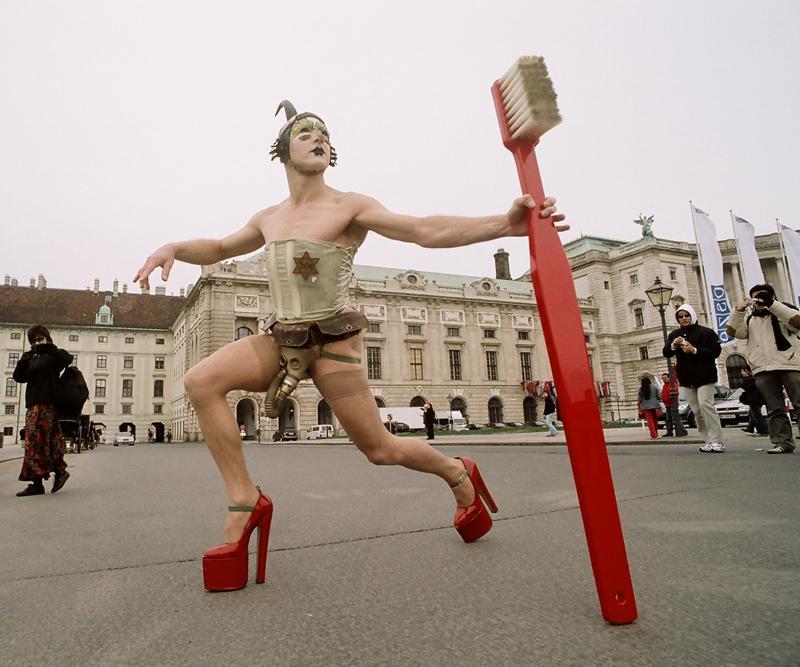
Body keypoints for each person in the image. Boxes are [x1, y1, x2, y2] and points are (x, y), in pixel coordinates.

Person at [133, 100, 566, 591]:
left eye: (325, 133)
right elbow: (218, 247)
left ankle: (457, 471)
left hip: (334, 340)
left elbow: (424, 230)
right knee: (201, 380)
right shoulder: (269, 217)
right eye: (305, 132)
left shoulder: (350, 205)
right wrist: (171, 248)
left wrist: (503, 225)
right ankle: (244, 500)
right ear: (283, 150)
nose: (318, 137)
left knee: (379, 449)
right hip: (282, 337)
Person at [727, 283, 800, 454]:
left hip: (789, 364)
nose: (759, 299)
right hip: (763, 367)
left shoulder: (784, 311)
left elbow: (797, 323)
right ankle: (782, 442)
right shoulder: (751, 318)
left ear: (773, 296)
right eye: (756, 296)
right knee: (774, 408)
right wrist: (738, 311)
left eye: (763, 295)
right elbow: (732, 331)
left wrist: (773, 305)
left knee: (799, 403)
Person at [13, 325, 73, 496]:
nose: (37, 342)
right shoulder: (32, 358)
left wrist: (49, 348)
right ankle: (41, 480)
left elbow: (66, 359)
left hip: (48, 405)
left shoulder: (52, 356)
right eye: (34, 340)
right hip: (33, 404)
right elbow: (19, 377)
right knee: (35, 442)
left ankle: (56, 473)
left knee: (44, 441)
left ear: (47, 338)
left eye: (40, 339)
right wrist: (24, 359)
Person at [663, 304, 725, 453]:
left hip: (705, 376)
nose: (684, 319)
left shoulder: (706, 333)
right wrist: (673, 345)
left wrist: (694, 350)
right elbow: (666, 353)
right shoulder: (674, 334)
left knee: (705, 406)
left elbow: (715, 352)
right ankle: (708, 440)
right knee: (696, 410)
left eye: (686, 315)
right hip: (686, 377)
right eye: (680, 316)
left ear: (692, 316)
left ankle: (717, 440)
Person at [738, 366, 768, 436]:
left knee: (757, 415)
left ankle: (763, 431)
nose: (741, 373)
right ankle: (750, 428)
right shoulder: (753, 379)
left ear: (747, 371)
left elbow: (744, 387)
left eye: (742, 371)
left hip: (755, 400)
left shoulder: (751, 379)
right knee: (752, 414)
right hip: (755, 400)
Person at [660, 370, 687, 437]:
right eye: (663, 378)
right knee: (668, 419)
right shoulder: (664, 386)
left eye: (665, 377)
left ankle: (682, 431)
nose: (664, 379)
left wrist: (669, 399)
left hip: (672, 404)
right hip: (667, 404)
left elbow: (675, 393)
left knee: (675, 418)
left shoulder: (672, 384)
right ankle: (669, 432)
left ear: (669, 378)